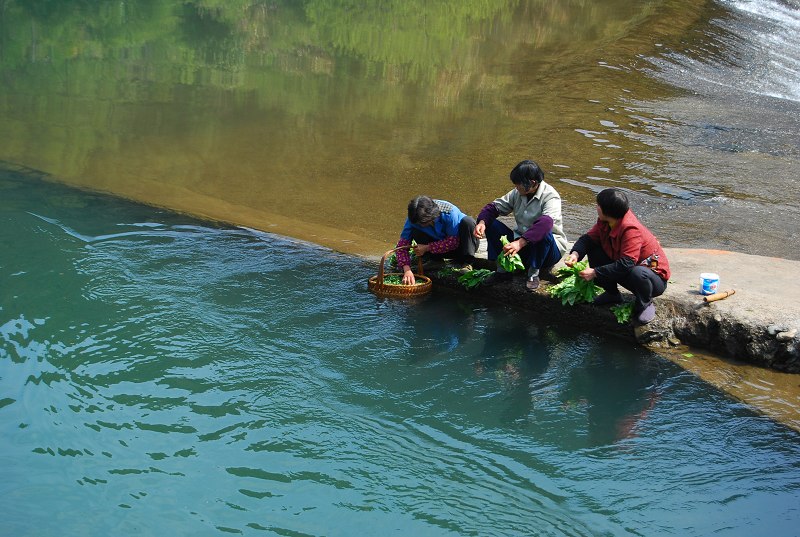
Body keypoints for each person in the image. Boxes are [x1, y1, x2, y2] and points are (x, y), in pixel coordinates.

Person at [565, 188, 671, 325]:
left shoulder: (630, 229)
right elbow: (588, 239)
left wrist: (595, 272)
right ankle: (612, 294)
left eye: (598, 205)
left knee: (637, 272)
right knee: (594, 249)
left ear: (607, 211)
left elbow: (627, 263)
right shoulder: (606, 221)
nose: (596, 207)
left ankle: (645, 303)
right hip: (626, 269)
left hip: (651, 280)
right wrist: (575, 254)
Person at [473, 159, 569, 290]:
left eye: (518, 185)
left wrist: (520, 242)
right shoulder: (517, 193)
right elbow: (494, 207)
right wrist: (482, 222)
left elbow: (546, 223)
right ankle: (503, 271)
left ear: (532, 183)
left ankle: (534, 273)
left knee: (543, 230)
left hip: (547, 250)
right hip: (522, 246)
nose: (516, 187)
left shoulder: (551, 197)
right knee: (492, 224)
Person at [396, 195, 479, 285]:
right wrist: (407, 269)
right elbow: (402, 246)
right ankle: (435, 260)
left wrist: (427, 248)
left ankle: (467, 263)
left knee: (468, 222)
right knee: (415, 231)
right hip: (437, 250)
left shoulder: (449, 212)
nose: (420, 225)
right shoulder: (413, 219)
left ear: (432, 216)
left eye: (423, 222)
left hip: (462, 246)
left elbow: (453, 243)